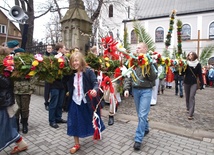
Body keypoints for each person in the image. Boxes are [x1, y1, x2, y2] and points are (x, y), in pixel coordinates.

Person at [66, 51, 105, 154]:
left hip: (86, 101)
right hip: (75, 101)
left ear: (81, 61)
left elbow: (95, 83)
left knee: (92, 118)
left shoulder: (88, 72)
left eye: (76, 60)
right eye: (72, 61)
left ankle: (97, 130)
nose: (74, 63)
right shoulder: (70, 74)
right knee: (74, 121)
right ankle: (76, 143)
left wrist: (94, 90)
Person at [123, 42, 158, 151]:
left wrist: (149, 64)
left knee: (142, 114)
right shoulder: (133, 61)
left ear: (145, 49)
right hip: (135, 90)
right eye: (136, 48)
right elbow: (128, 75)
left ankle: (138, 139)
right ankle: (146, 128)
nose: (137, 49)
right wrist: (126, 88)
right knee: (140, 114)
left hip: (146, 90)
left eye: (139, 48)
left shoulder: (151, 60)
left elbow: (153, 77)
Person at [0, 47, 28, 154]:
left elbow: (6, 83)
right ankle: (22, 144)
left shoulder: (8, 68)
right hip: (4, 101)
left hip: (4, 102)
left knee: (4, 125)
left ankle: (21, 144)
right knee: (6, 124)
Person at [13, 48, 36, 134]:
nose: (18, 55)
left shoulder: (28, 62)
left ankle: (25, 124)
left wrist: (31, 88)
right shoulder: (11, 63)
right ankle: (16, 124)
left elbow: (34, 75)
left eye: (20, 53)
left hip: (26, 89)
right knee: (16, 108)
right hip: (15, 89)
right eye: (16, 54)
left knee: (25, 108)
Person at [48, 43, 67, 129]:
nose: (65, 49)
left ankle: (58, 118)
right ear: (60, 48)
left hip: (62, 84)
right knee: (53, 103)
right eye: (64, 48)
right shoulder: (53, 56)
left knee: (60, 103)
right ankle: (52, 121)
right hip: (55, 84)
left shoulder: (64, 57)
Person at [184, 52, 204, 120]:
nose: (190, 55)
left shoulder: (198, 64)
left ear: (194, 56)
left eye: (191, 54)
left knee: (191, 96)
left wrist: (202, 83)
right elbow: (183, 72)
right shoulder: (186, 63)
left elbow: (200, 74)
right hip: (186, 82)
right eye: (189, 54)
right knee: (187, 96)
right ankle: (188, 107)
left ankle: (191, 113)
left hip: (194, 82)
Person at [43, 45, 54, 111]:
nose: (49, 49)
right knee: (47, 90)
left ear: (52, 49)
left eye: (50, 48)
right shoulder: (44, 56)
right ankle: (46, 103)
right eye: (48, 48)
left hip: (53, 75)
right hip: (47, 75)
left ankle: (51, 103)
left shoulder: (53, 56)